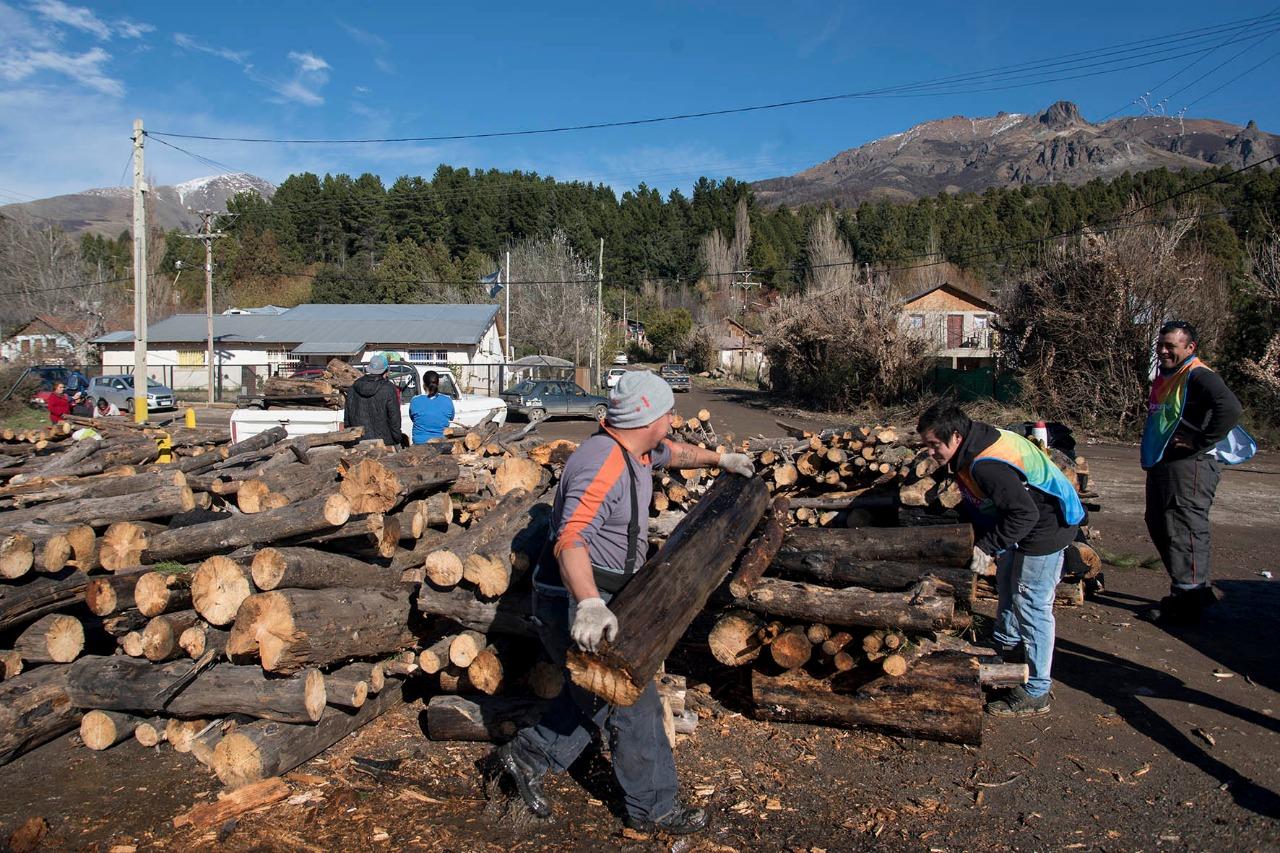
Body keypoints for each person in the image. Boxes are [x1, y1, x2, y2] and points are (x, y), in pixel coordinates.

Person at [490, 370, 755, 834]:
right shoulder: (602, 464)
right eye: (668, 412)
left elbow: (674, 452)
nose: (674, 419)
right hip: (577, 594)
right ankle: (655, 811)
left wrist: (721, 458)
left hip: (604, 591)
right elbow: (571, 539)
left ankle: (526, 756)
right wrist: (590, 603)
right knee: (632, 699)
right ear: (648, 416)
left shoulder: (637, 448)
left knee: (592, 694)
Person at [918, 401, 1084, 718]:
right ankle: (1004, 651)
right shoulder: (972, 443)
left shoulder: (985, 464)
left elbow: (1025, 513)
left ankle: (1036, 690)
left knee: (1031, 602)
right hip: (1024, 522)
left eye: (934, 445)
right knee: (1008, 586)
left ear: (954, 436)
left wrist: (986, 548)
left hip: (1048, 525)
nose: (930, 452)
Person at [1140, 320, 1242, 625]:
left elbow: (1231, 408)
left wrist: (1200, 440)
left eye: (1171, 345)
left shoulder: (1198, 374)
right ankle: (1184, 589)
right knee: (1159, 521)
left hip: (1191, 466)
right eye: (1161, 344)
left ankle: (1190, 600)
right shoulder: (1168, 374)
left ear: (1189, 347)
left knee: (1184, 526)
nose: (1163, 350)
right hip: (1164, 461)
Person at [343, 355, 402, 447]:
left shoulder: (353, 387)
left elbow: (347, 419)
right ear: (385, 371)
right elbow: (394, 418)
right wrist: (397, 438)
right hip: (384, 442)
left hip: (358, 442)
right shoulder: (388, 388)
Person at [408, 370, 454, 444]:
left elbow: (413, 418)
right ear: (438, 384)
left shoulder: (415, 400)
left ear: (424, 384)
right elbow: (450, 418)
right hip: (441, 442)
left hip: (420, 442)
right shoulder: (448, 400)